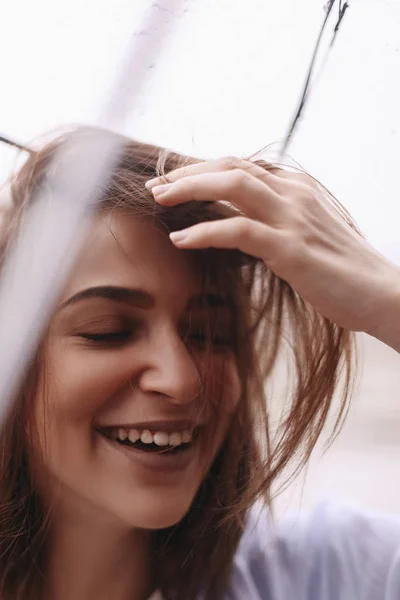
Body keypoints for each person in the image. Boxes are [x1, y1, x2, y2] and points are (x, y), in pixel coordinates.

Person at [0, 126, 399, 600]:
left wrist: (387, 302)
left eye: (210, 334)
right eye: (110, 331)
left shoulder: (330, 574)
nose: (182, 380)